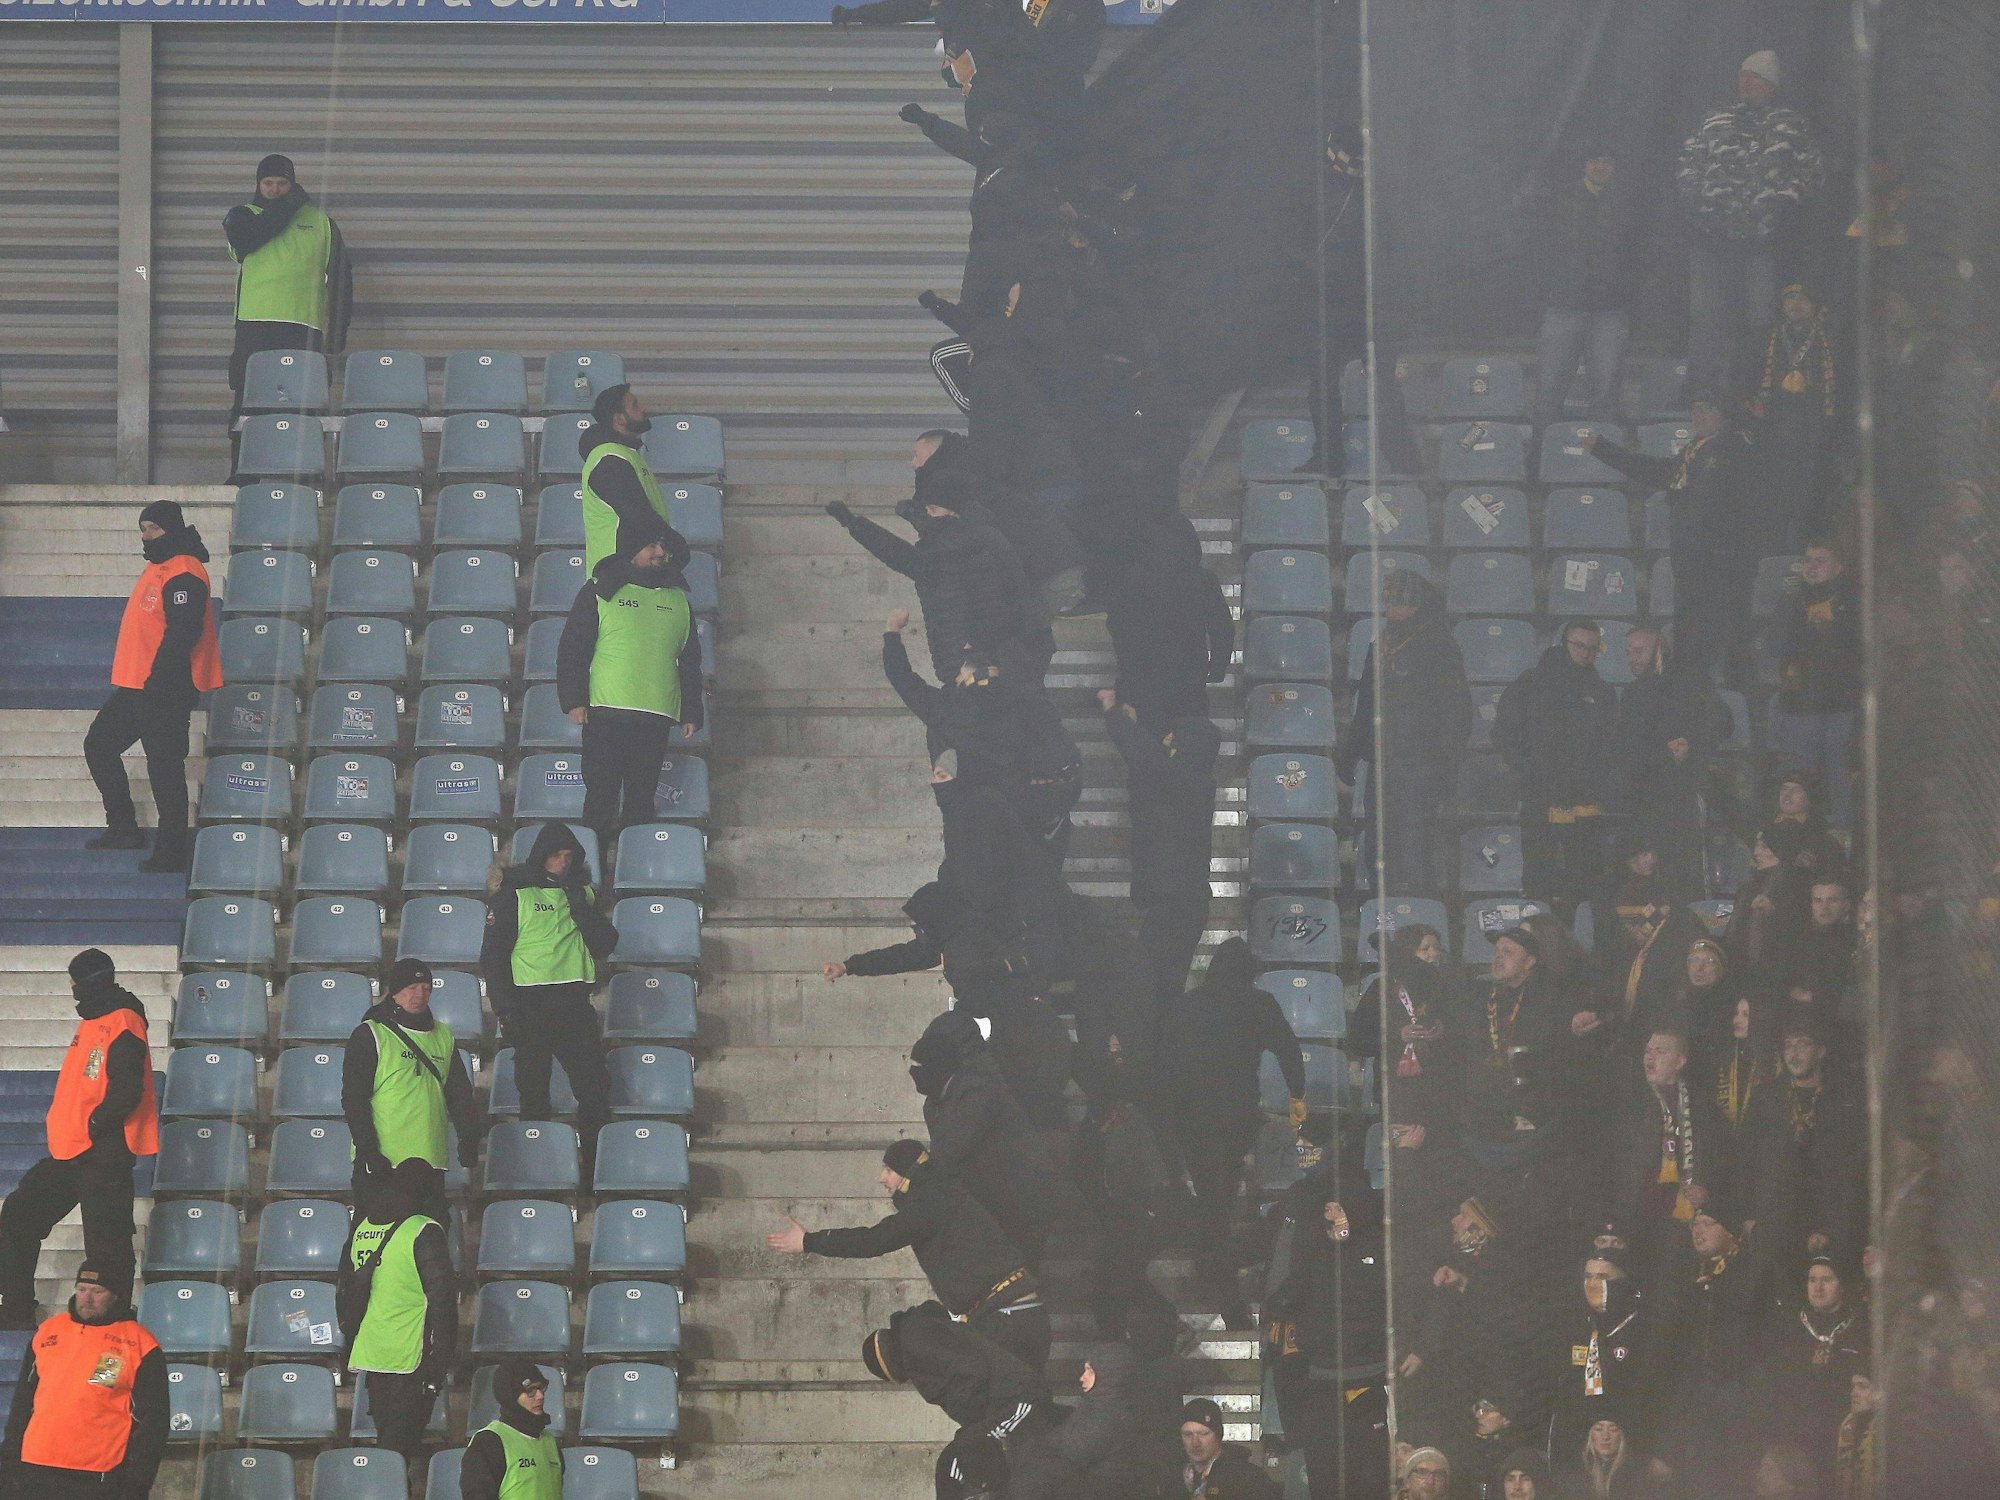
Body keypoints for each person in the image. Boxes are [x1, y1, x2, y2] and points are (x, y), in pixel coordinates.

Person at [766, 1138, 1050, 1371]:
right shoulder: (943, 1191)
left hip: (1006, 1318)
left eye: (889, 1170)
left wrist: (809, 1241)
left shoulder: (930, 1203)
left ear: (909, 1172)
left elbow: (874, 1240)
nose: (882, 1178)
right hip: (1012, 1311)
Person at [0, 950, 157, 1329]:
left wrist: (93, 1125)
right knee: (18, 1217)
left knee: (107, 1242)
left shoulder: (123, 1018)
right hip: (72, 1150)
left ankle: (114, 1322)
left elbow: (127, 1090)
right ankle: (17, 1309)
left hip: (105, 1150)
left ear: (79, 982)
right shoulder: (96, 1016)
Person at [1158, 938, 1305, 1324]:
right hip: (1236, 1114)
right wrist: (1298, 1095)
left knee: (1214, 1199)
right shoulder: (1259, 1003)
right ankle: (1222, 1283)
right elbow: (1289, 1050)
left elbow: (1166, 1065)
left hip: (1192, 1114)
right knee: (1220, 1197)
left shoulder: (1188, 1004)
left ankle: (1217, 1274)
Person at [82, 501, 223, 870]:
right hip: (137, 686)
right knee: (99, 745)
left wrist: (160, 681)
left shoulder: (185, 570)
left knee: (164, 769)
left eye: (154, 528)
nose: (147, 536)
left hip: (166, 688)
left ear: (172, 529)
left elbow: (184, 632)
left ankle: (171, 852)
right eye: (143, 528)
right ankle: (123, 828)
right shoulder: (160, 566)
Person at [1675, 52, 1823, 398]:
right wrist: (1702, 207)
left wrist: (1779, 206)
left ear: (1770, 85)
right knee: (1705, 318)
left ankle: (1752, 392)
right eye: (1743, 76)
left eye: (1755, 77)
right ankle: (1701, 396)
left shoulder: (1790, 125)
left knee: (1759, 319)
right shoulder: (1715, 120)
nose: (1746, 83)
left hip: (1761, 244)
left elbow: (1811, 174)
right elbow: (1688, 166)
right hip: (1711, 241)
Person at [556, 509, 704, 842]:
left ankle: (633, 870)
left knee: (641, 804)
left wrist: (691, 711)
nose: (660, 552)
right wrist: (574, 700)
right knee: (600, 800)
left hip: (655, 716)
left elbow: (689, 662)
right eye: (651, 545)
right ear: (631, 548)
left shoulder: (679, 599)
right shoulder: (599, 590)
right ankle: (593, 870)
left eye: (662, 546)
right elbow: (573, 649)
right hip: (605, 713)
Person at [825, 463, 1047, 683]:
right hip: (994, 656)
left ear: (952, 510)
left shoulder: (944, 549)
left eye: (932, 509)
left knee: (976, 704)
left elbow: (902, 555)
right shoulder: (987, 536)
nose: (928, 514)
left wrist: (854, 524)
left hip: (969, 660)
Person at [1585, 400, 1759, 680]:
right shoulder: (1695, 449)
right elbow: (1658, 472)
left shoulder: (1733, 449)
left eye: (1708, 408)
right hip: (1691, 563)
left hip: (1717, 565)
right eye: (1695, 408)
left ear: (1724, 414)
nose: (1698, 415)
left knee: (1717, 643)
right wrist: (1605, 450)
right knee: (1691, 641)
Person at [480, 823, 619, 1160]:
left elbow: (605, 944)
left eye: (569, 856)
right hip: (529, 1008)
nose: (563, 862)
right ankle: (537, 1171)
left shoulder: (582, 894)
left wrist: (579, 908)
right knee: (533, 1096)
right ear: (542, 856)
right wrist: (506, 1010)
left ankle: (593, 1170)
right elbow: (494, 956)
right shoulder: (514, 894)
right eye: (556, 855)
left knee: (594, 1090)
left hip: (574, 1005)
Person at [1339, 570, 1471, 895]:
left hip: (1421, 766)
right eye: (1389, 602)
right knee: (1378, 845)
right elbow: (1366, 703)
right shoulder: (1382, 643)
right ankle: (1382, 909)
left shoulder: (1441, 648)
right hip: (1383, 763)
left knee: (1416, 848)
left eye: (1399, 603)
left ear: (1417, 605)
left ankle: (1419, 914)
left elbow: (1456, 714)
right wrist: (1350, 753)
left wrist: (1444, 768)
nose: (1391, 609)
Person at [1265, 1161, 1390, 1500]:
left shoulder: (1380, 1252)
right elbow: (1292, 1295)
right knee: (1324, 1474)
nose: (1331, 1215)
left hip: (1369, 1378)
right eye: (1328, 1209)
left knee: (1369, 1476)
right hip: (1321, 1379)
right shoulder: (1315, 1251)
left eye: (1338, 1208)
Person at [907, 1009, 1065, 1271]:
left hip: (1019, 1203)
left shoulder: (980, 1090)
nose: (914, 1071)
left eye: (921, 1063)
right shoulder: (939, 1100)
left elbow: (950, 1151)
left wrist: (911, 1179)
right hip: (995, 1203)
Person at [0, 1263, 167, 1500]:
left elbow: (154, 1420)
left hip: (98, 1474)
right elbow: (22, 1403)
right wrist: (9, 1459)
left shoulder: (139, 1343)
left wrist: (138, 1481)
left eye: (97, 1291)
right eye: (81, 1289)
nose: (87, 1298)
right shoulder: (47, 1331)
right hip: (35, 1466)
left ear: (116, 1295)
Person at [1101, 689, 1223, 1001]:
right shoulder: (1192, 782)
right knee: (1161, 985)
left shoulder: (1181, 781)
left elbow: (1143, 756)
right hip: (1180, 902)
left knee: (1151, 985)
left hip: (1175, 904)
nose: (1167, 740)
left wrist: (1115, 713)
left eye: (1174, 738)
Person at [336, 1159, 455, 1474]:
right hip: (409, 1353)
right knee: (399, 1448)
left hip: (372, 1349)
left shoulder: (364, 1227)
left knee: (388, 1442)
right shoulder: (422, 1230)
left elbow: (345, 1285)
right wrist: (442, 1359)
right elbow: (442, 1299)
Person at [341, 957, 481, 1220]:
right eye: (412, 987)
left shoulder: (443, 1035)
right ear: (395, 991)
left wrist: (468, 1136)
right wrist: (369, 1151)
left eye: (426, 988)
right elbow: (354, 1099)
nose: (420, 994)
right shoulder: (371, 1034)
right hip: (384, 1163)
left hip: (430, 1162)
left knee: (429, 1235)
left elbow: (459, 1094)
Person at [1495, 620, 1617, 911]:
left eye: (1593, 648)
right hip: (1541, 797)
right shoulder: (1530, 684)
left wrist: (1594, 778)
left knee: (1585, 881)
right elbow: (1504, 734)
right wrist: (1530, 773)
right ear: (1563, 644)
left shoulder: (1602, 692)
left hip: (1585, 800)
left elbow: (1611, 745)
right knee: (1539, 877)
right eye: (1579, 646)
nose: (1586, 653)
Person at [223, 153, 349, 415]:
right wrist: (289, 205)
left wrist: (338, 332)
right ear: (258, 184)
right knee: (249, 402)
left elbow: (342, 280)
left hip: (303, 326)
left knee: (304, 404)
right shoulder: (242, 216)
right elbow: (249, 238)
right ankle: (243, 444)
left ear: (292, 184)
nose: (275, 189)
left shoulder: (321, 223)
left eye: (282, 183)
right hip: (254, 326)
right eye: (268, 183)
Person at [1609, 1029, 1727, 1296]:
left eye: (1660, 1051)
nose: (1650, 1057)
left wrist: (1705, 1187)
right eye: (1647, 1051)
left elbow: (1719, 1158)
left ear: (1680, 1060)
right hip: (1637, 1217)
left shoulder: (1701, 1105)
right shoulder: (1631, 1100)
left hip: (1681, 1221)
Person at [1742, 1019, 1866, 1272]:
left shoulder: (1843, 1099)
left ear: (1821, 1051)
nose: (1793, 1053)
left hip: (1824, 1227)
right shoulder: (1767, 1097)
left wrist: (1830, 1228)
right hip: (1774, 1224)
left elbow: (1851, 1171)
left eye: (1802, 1044)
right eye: (1788, 1045)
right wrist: (1749, 1218)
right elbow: (1746, 1160)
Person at [1605, 623, 1716, 901]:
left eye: (1639, 651)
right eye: (1628, 652)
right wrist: (1664, 754)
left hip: (1681, 798)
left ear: (1659, 651)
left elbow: (1721, 722)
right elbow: (1626, 750)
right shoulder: (1632, 694)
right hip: (1642, 797)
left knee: (1681, 882)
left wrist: (1691, 743)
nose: (1632, 659)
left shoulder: (1688, 687)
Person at [1532, 148, 1639, 429]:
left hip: (1610, 310)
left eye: (1607, 161)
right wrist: (1551, 286)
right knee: (1549, 390)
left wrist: (1626, 288)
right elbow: (1539, 246)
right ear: (1583, 164)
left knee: (1606, 394)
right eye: (1594, 160)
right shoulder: (1560, 199)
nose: (1600, 166)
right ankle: (1541, 451)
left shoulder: (1628, 204)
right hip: (1564, 307)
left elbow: (1643, 251)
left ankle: (1604, 454)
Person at [1103, 512, 1234, 733]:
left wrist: (1128, 665)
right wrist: (1218, 665)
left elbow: (1117, 625)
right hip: (1189, 677)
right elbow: (1222, 628)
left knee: (1145, 740)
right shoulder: (1203, 579)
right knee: (1190, 739)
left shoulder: (1129, 579)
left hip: (1142, 676)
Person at [1771, 540, 1861, 828]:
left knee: (1838, 780)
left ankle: (1841, 838)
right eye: (1808, 560)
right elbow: (1778, 647)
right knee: (1798, 779)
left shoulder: (1852, 602)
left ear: (1839, 567)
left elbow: (1854, 650)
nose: (1811, 567)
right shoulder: (1792, 601)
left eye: (1820, 561)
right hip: (1800, 707)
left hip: (1839, 706)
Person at [1746, 285, 1841, 550]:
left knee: (1810, 502)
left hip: (1815, 436)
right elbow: (1747, 383)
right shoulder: (1764, 338)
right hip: (1774, 433)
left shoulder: (1830, 339)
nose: (1796, 304)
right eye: (1790, 298)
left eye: (1803, 298)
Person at [1459, 929, 1560, 1167]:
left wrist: (1533, 1113)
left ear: (1530, 961)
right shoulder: (1480, 997)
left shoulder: (1546, 1000)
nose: (1497, 957)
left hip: (1531, 1114)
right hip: (1485, 1113)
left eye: (1508, 952)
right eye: (1496, 951)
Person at [1006, 1343, 1153, 1500]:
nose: (1082, 1377)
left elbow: (1066, 1458)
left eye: (1090, 1371)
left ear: (1109, 1375)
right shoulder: (1102, 1405)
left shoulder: (1106, 1418)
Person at [1768, 1255, 1867, 1476]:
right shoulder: (1791, 1328)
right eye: (1812, 1280)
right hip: (1796, 1437)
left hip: (1843, 1439)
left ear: (1842, 1286)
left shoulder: (1860, 1329)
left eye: (1827, 1280)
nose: (1818, 1288)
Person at [460, 1363, 563, 1500]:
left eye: (541, 1388)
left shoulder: (550, 1441)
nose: (540, 1396)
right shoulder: (488, 1442)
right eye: (531, 1390)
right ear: (510, 1396)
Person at [1160, 1397, 1278, 1500]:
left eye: (1203, 1434)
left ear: (1218, 1435)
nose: (1195, 1443)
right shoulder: (1171, 1477)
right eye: (1187, 1434)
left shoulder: (1249, 1478)